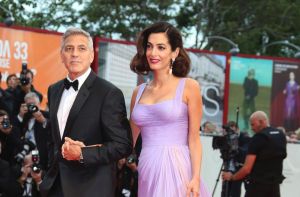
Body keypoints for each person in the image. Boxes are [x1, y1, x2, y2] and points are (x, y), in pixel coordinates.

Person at [39, 27, 132, 197]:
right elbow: (53, 138)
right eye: (69, 48)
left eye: (81, 48)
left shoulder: (108, 93)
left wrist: (83, 153)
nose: (74, 54)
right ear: (62, 55)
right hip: (55, 185)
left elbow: (123, 145)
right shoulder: (54, 90)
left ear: (91, 55)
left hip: (91, 187)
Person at [130, 21, 210, 197]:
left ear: (175, 52)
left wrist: (195, 177)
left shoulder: (189, 86)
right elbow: (129, 140)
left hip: (176, 166)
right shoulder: (139, 92)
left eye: (161, 47)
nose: (153, 53)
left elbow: (194, 139)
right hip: (146, 169)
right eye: (149, 47)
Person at [222, 111, 287, 197]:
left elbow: (247, 168)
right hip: (275, 186)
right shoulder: (280, 135)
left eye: (253, 124)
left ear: (262, 121)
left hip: (257, 186)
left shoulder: (258, 138)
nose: (251, 128)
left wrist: (232, 177)